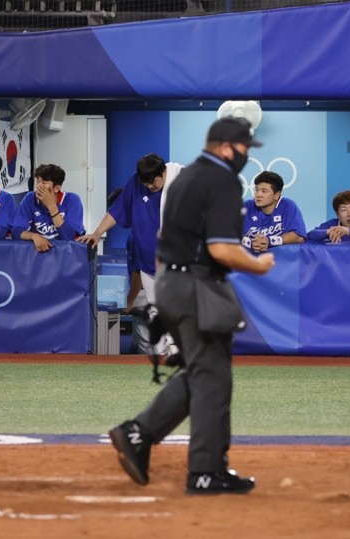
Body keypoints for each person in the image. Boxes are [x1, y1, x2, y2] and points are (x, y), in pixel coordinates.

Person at [108, 117, 275, 495]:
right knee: (212, 375)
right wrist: (258, 263)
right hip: (195, 283)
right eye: (245, 148)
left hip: (173, 280)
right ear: (226, 147)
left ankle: (141, 435)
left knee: (205, 370)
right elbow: (221, 248)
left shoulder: (184, 178)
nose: (247, 155)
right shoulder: (220, 181)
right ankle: (202, 470)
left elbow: (166, 234)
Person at [79, 154, 184, 356]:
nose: (149, 187)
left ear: (163, 173)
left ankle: (180, 352)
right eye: (145, 183)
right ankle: (163, 355)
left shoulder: (181, 180)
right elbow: (116, 211)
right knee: (155, 310)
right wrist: (97, 233)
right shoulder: (137, 182)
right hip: (147, 262)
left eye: (153, 182)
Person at [12, 163, 85, 251]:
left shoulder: (72, 200)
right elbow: (16, 231)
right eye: (38, 181)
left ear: (56, 188)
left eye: (44, 182)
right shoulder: (30, 198)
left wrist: (51, 206)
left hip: (67, 256)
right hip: (39, 254)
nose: (38, 186)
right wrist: (34, 236)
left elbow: (68, 237)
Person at [242, 171, 306, 252]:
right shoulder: (247, 206)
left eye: (264, 191)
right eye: (257, 190)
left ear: (276, 195)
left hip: (281, 261)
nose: (258, 194)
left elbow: (298, 237)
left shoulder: (288, 206)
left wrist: (269, 241)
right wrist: (250, 242)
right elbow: (230, 233)